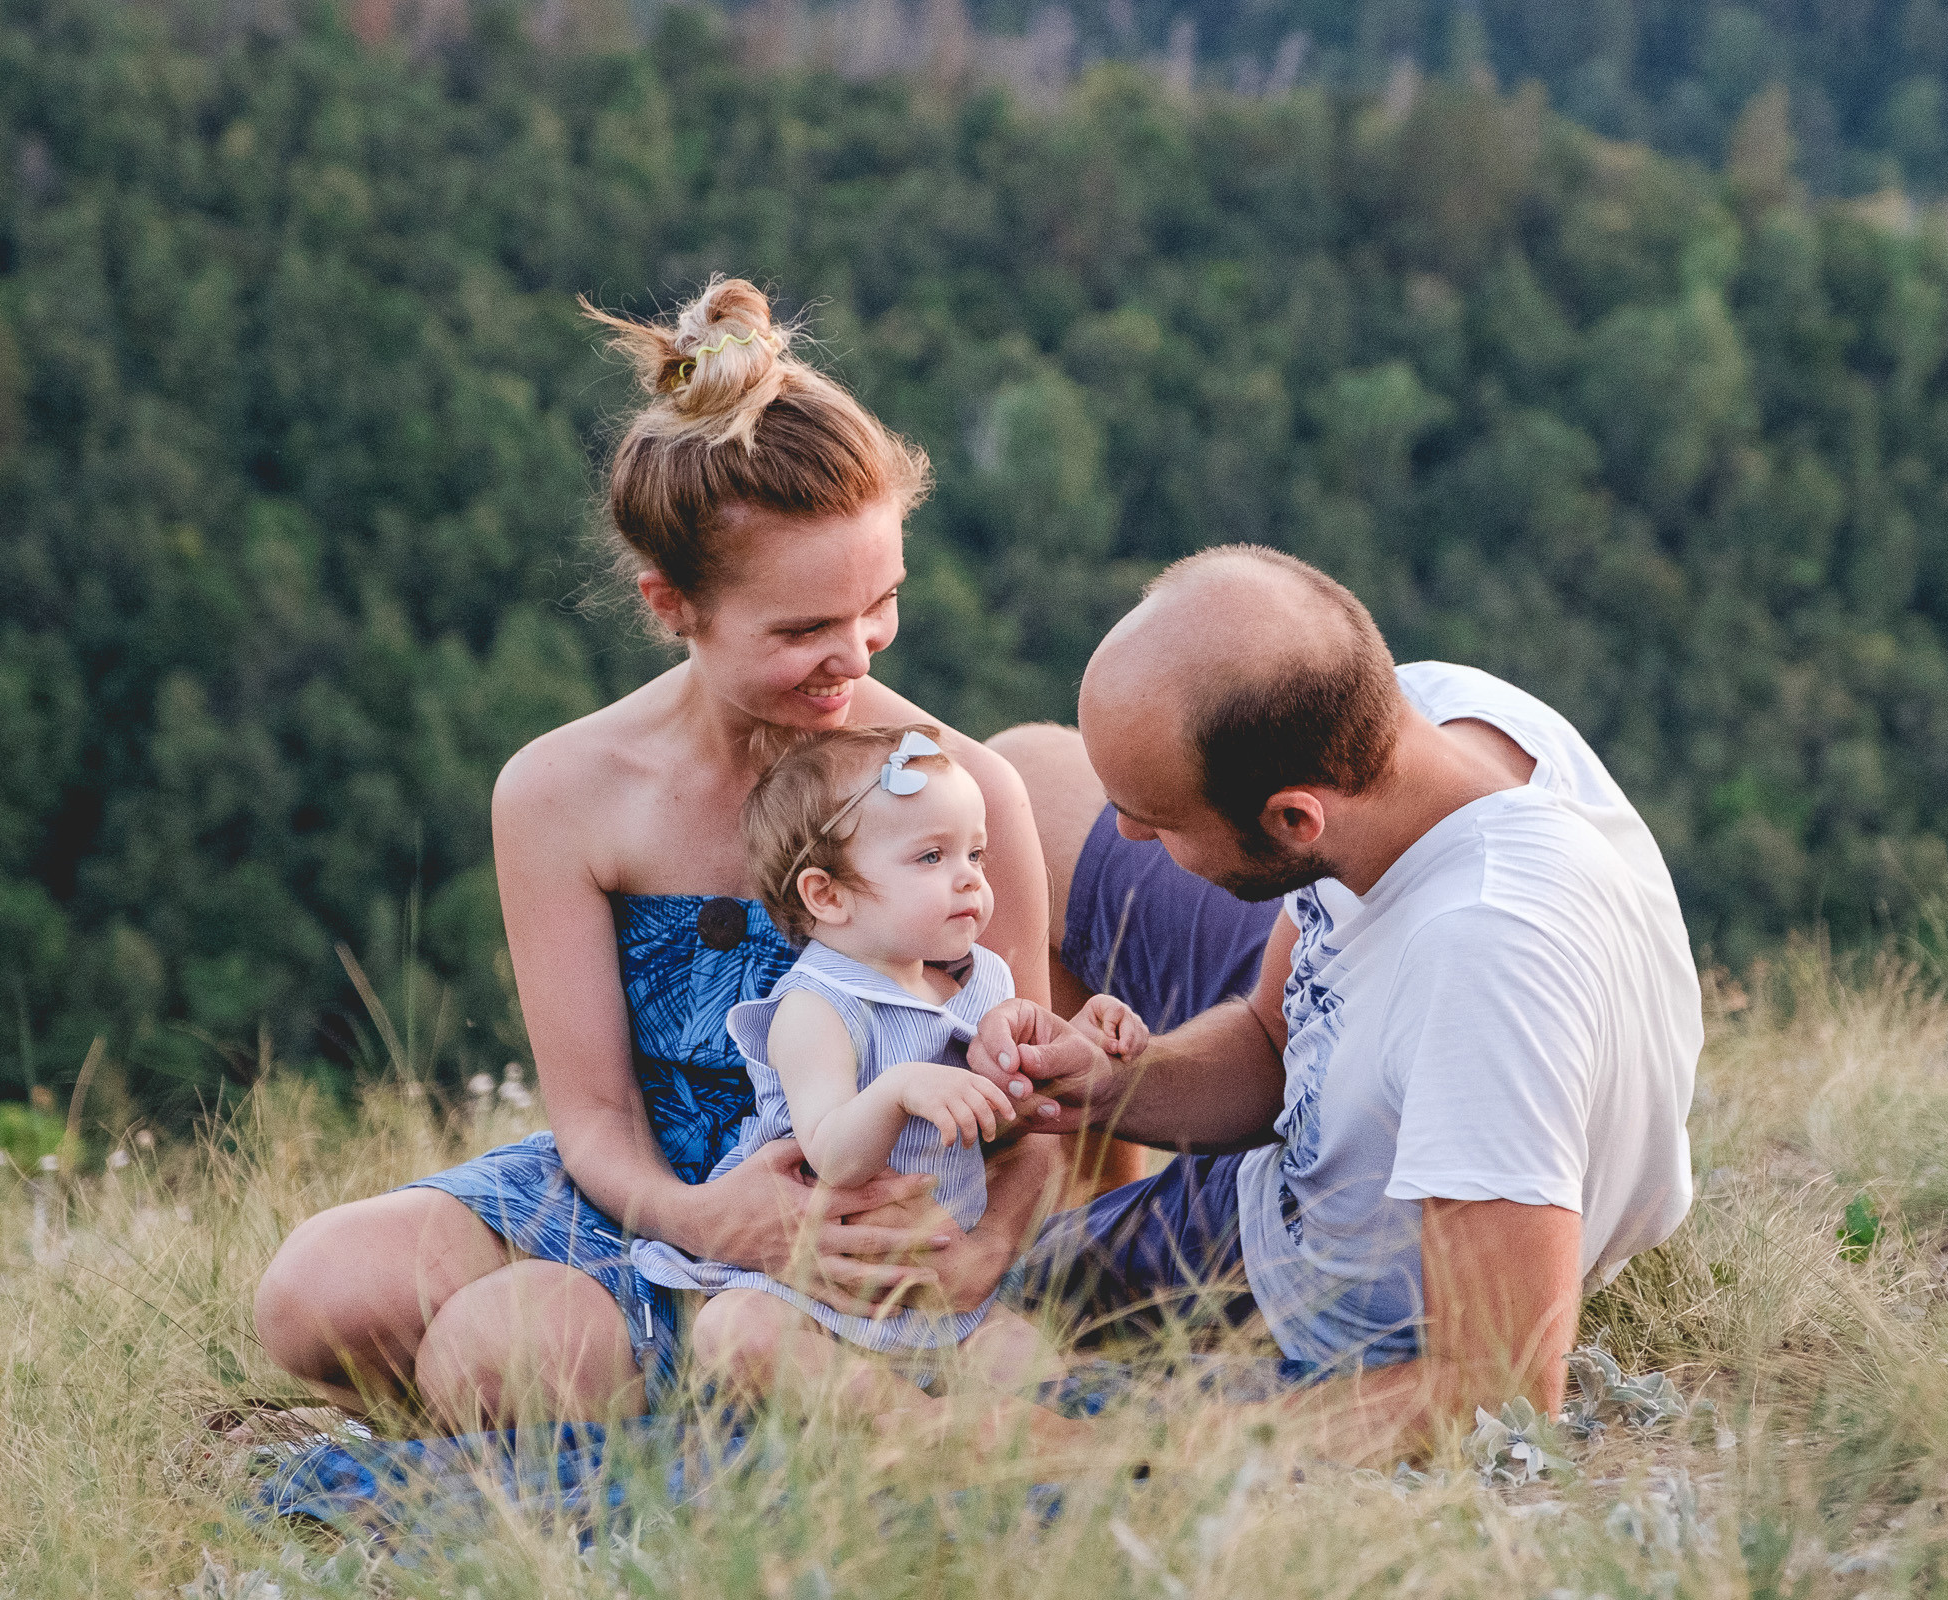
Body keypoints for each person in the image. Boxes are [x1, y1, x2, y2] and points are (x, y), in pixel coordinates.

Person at [252, 278, 1066, 1429]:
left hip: (869, 1220)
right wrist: (703, 1220)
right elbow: (594, 1120)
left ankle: (666, 1372)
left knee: (491, 1366)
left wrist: (978, 1259)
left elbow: (1030, 1107)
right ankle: (653, 1351)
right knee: (312, 1296)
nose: (855, 655)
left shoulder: (962, 794)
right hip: (643, 1195)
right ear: (671, 601)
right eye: (801, 630)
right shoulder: (560, 792)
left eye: (879, 604)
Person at [973, 545, 1702, 1466]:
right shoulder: (1431, 715)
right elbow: (1276, 1040)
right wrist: (1110, 1083)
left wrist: (1136, 1449)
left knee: (946, 1367)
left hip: (1328, 1305)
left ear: (1292, 821)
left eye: (1158, 820)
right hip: (1321, 1165)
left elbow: (1500, 1392)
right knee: (1026, 786)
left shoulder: (1483, 964)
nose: (1129, 835)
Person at [636, 724, 1146, 1420]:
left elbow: (1020, 1118)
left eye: (976, 852)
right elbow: (833, 1152)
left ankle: (1037, 1438)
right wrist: (902, 1087)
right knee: (734, 1332)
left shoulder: (977, 981)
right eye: (932, 856)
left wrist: (1076, 1041)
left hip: (940, 1285)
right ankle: (925, 1431)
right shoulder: (816, 1007)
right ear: (829, 897)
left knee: (1027, 1358)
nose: (969, 876)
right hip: (817, 1291)